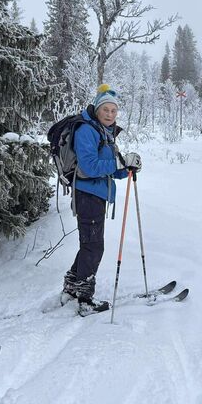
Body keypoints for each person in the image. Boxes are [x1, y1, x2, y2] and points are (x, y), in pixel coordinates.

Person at [63, 84, 141, 313]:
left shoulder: (104, 132)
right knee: (94, 247)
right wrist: (117, 163)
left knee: (89, 244)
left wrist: (127, 166)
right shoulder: (86, 130)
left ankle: (71, 286)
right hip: (87, 194)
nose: (110, 114)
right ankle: (85, 300)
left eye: (113, 111)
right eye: (106, 109)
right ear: (97, 109)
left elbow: (111, 170)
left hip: (97, 195)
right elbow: (89, 166)